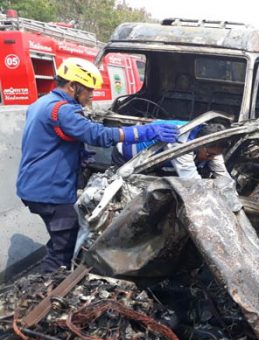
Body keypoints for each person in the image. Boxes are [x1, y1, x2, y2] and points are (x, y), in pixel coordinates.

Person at [16, 57, 178, 273]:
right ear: (73, 86)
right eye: (88, 90)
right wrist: (144, 132)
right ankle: (46, 289)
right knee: (64, 248)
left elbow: (50, 139)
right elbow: (98, 134)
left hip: (33, 184)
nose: (91, 95)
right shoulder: (62, 110)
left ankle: (54, 268)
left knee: (62, 237)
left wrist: (78, 153)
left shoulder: (42, 103)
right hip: (49, 191)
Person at [114, 122, 231, 180]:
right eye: (210, 155)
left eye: (214, 156)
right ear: (202, 145)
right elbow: (192, 182)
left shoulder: (211, 140)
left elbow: (223, 176)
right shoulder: (180, 142)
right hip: (127, 156)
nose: (211, 159)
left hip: (154, 162)